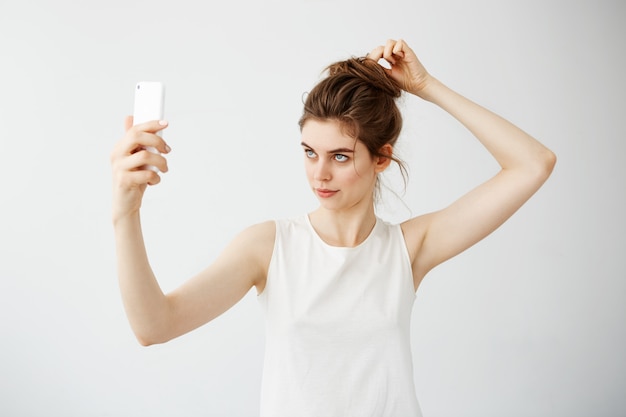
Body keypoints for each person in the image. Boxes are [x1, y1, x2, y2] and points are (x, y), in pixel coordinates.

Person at [110, 39, 556, 417]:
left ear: (381, 157)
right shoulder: (268, 246)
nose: (318, 174)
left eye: (340, 156)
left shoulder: (409, 248)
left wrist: (426, 87)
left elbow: (533, 163)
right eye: (309, 152)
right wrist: (125, 213)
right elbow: (155, 326)